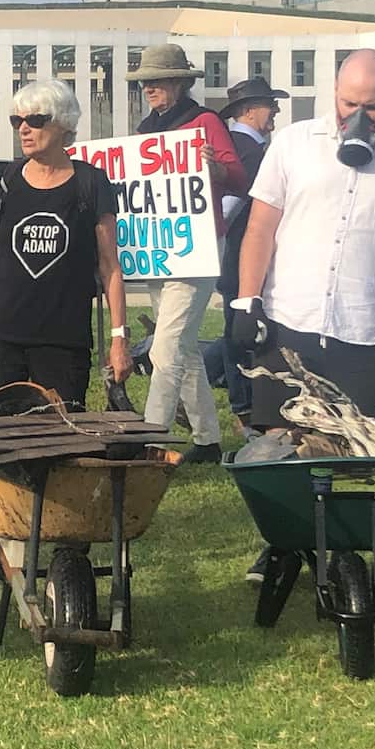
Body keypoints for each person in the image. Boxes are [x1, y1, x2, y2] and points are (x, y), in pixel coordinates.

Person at [232, 48, 375, 424]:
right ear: (334, 89)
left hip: (370, 335)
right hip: (289, 325)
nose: (356, 116)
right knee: (283, 452)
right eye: (348, 102)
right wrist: (246, 301)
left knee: (359, 460)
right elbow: (260, 228)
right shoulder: (292, 143)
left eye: (370, 107)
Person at [0, 79, 132, 407]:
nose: (23, 129)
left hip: (63, 341)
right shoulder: (3, 182)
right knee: (0, 438)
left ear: (64, 124)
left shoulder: (91, 183)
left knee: (61, 437)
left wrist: (118, 338)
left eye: (35, 120)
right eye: (17, 121)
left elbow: (110, 266)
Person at [125, 44, 248, 463]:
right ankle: (207, 440)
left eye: (156, 81)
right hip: (160, 247)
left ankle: (152, 441)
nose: (149, 88)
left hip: (196, 246)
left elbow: (237, 176)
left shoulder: (205, 122)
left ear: (179, 82)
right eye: (145, 82)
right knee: (184, 345)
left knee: (166, 347)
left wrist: (213, 168)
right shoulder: (145, 130)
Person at [210, 77, 287, 432]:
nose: (275, 111)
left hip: (237, 256)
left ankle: (248, 404)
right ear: (249, 111)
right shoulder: (252, 152)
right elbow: (228, 206)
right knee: (241, 333)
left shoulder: (238, 146)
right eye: (269, 105)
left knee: (237, 330)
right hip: (244, 256)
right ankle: (247, 407)